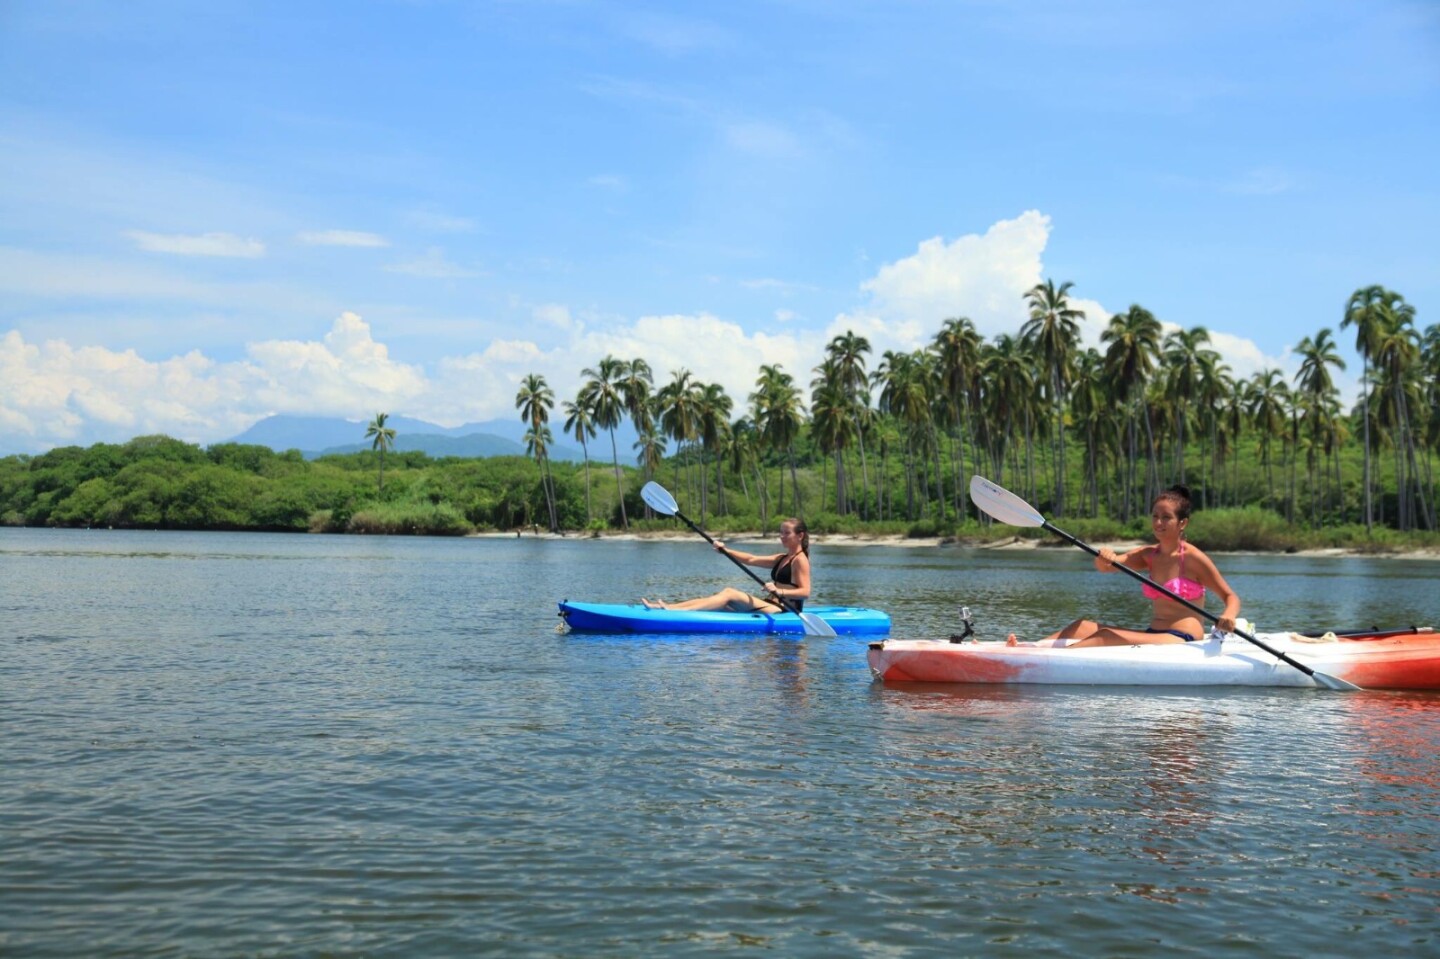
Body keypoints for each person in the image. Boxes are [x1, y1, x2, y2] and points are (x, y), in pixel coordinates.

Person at [1020, 484, 1240, 648]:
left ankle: (1045, 661)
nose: (1158, 523)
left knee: (1105, 637)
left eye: (1166, 517)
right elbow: (1107, 567)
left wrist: (1228, 617)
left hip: (1184, 638)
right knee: (1081, 626)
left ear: (1182, 523)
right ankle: (1029, 649)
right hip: (1154, 633)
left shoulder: (1193, 558)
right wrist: (1104, 557)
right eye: (1155, 516)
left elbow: (1230, 596)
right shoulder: (1148, 555)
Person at [641, 518, 813, 612]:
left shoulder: (800, 560)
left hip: (784, 610)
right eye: (781, 532)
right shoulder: (782, 557)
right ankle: (668, 607)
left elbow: (805, 592)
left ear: (800, 535)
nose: (782, 536)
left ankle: (673, 613)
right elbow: (750, 559)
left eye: (786, 533)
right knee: (721, 602)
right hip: (769, 603)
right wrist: (726, 550)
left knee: (730, 593)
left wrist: (779, 591)